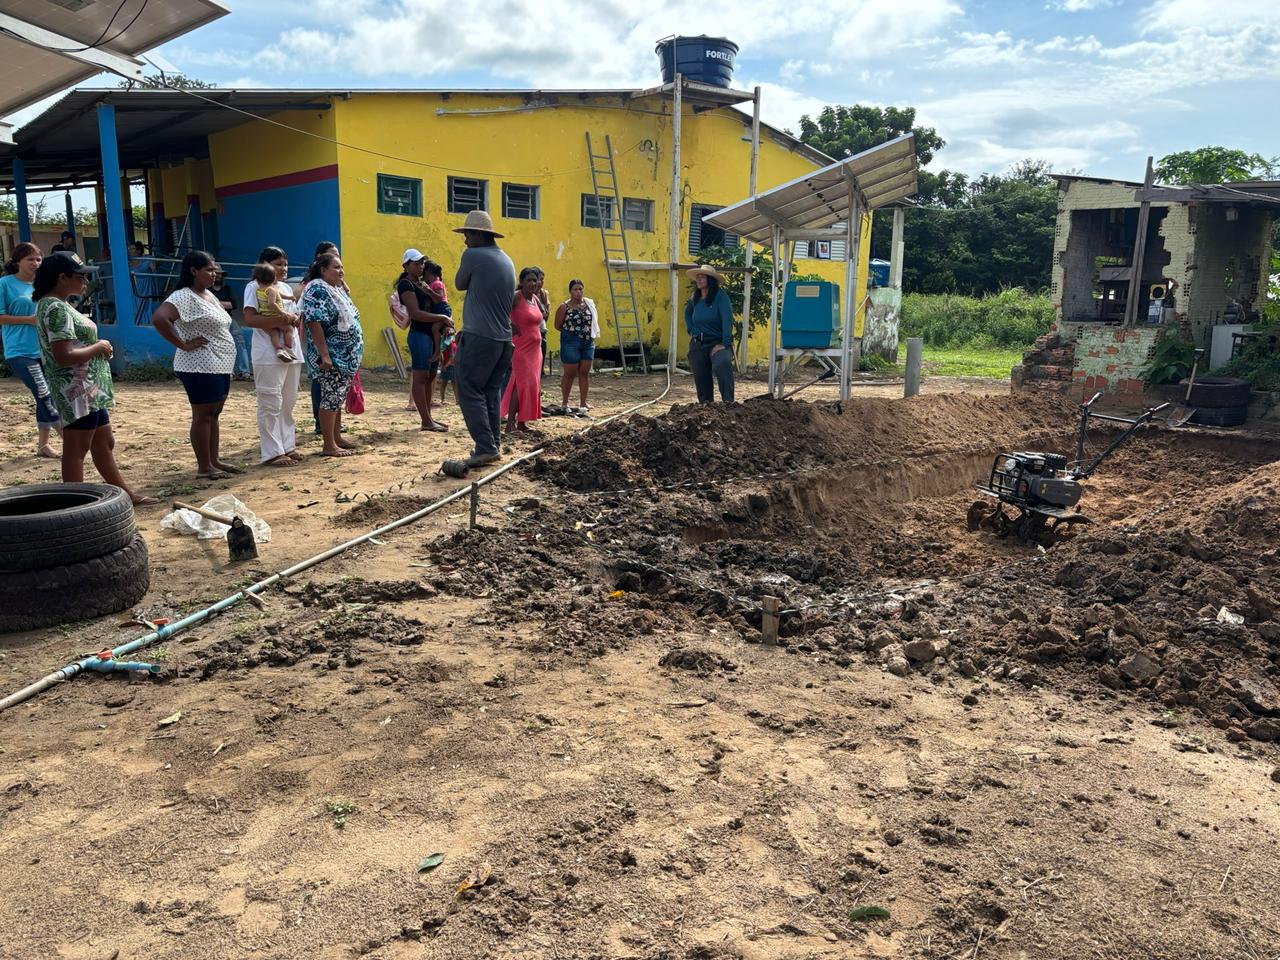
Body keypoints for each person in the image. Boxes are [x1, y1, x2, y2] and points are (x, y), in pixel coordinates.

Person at [33, 252, 155, 504]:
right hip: (76, 389)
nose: (86, 282)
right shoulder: (55, 308)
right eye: (81, 276)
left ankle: (126, 495)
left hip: (89, 388)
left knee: (103, 441)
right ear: (62, 277)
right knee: (77, 449)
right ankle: (73, 505)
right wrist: (98, 347)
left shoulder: (59, 304)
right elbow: (63, 355)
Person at [151, 251, 242, 480]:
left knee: (214, 413)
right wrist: (182, 344)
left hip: (220, 363)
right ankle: (204, 466)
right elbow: (160, 318)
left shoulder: (208, 295)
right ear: (193, 271)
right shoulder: (183, 296)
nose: (214, 274)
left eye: (215, 270)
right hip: (199, 365)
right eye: (209, 270)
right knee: (203, 414)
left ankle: (214, 459)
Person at [451, 210, 515, 468]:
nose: (465, 241)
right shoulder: (506, 259)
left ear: (478, 234)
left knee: (468, 390)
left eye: (467, 235)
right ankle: (492, 445)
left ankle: (485, 446)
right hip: (503, 340)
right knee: (489, 392)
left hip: (480, 337)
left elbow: (458, 283)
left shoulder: (473, 255)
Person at [242, 245, 302, 467]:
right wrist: (283, 320)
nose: (283, 268)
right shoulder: (254, 287)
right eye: (278, 264)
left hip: (291, 348)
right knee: (270, 401)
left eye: (285, 264)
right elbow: (250, 318)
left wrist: (292, 320)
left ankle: (288, 445)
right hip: (268, 351)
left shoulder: (285, 287)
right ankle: (272, 451)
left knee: (288, 401)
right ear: (266, 266)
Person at [0, 242, 60, 458]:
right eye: (30, 259)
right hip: (19, 351)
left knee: (45, 394)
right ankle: (68, 436)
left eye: (38, 259)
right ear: (17, 261)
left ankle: (44, 445)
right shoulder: (5, 284)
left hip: (45, 349)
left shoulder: (42, 285)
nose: (36, 263)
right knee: (44, 394)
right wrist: (29, 320)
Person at [301, 252, 364, 457]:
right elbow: (314, 321)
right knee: (330, 397)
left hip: (343, 357)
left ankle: (337, 438)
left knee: (336, 398)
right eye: (336, 267)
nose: (341, 271)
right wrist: (325, 355)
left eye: (341, 267)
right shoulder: (317, 288)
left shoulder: (333, 289)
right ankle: (328, 444)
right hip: (332, 356)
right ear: (323, 270)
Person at [396, 249, 451, 432]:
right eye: (415, 263)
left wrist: (429, 291)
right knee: (421, 377)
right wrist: (442, 317)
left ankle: (428, 418)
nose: (420, 267)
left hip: (430, 334)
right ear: (406, 265)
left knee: (431, 375)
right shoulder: (406, 285)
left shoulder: (421, 283)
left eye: (421, 264)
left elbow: (437, 299)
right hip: (419, 334)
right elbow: (415, 313)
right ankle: (426, 420)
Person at [501, 268, 545, 433]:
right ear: (522, 282)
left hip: (536, 350)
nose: (533, 283)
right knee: (520, 384)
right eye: (529, 280)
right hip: (521, 348)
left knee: (531, 385)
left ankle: (522, 422)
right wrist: (510, 324)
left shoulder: (535, 298)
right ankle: (510, 424)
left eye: (535, 280)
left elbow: (542, 316)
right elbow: (500, 311)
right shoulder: (516, 296)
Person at [684, 264, 735, 403]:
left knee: (722, 363)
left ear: (710, 280)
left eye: (702, 277)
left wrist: (725, 343)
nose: (699, 280)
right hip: (699, 342)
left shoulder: (721, 296)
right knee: (700, 374)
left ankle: (729, 404)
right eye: (697, 277)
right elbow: (687, 314)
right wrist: (691, 329)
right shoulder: (695, 297)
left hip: (717, 342)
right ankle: (706, 406)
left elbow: (727, 319)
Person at [554, 279, 600, 413]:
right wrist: (572, 333)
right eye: (575, 289)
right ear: (570, 291)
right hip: (571, 343)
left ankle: (583, 402)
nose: (578, 292)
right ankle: (564, 403)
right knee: (569, 374)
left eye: (580, 289)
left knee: (584, 373)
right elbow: (557, 326)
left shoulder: (589, 304)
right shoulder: (564, 307)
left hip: (588, 343)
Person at [251, 262, 298, 363]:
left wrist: (289, 297)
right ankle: (288, 348)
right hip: (275, 316)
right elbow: (272, 304)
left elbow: (279, 295)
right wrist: (282, 312)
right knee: (289, 329)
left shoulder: (259, 290)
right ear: (273, 278)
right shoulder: (272, 289)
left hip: (265, 318)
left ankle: (279, 349)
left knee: (274, 333)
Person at [210, 269, 249, 380]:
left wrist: (215, 303)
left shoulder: (227, 289)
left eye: (220, 274)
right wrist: (224, 304)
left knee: (240, 341)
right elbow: (206, 304)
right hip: (213, 320)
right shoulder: (207, 290)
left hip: (228, 318)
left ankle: (244, 372)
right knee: (221, 344)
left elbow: (234, 305)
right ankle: (228, 372)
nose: (217, 276)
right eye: (215, 274)